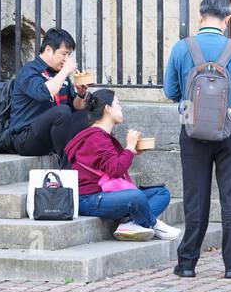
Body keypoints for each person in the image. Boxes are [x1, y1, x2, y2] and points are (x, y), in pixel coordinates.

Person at [164, 0, 231, 279]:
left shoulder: (182, 48)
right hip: (229, 129)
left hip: (192, 129)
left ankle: (188, 263)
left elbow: (170, 92)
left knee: (196, 198)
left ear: (200, 16)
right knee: (230, 199)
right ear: (227, 19)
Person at [65, 89, 176, 241]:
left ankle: (132, 225)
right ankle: (153, 224)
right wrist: (129, 148)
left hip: (104, 193)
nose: (121, 107)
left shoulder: (101, 135)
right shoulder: (96, 137)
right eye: (118, 104)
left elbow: (109, 165)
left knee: (161, 193)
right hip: (89, 198)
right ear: (108, 108)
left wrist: (130, 152)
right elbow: (115, 170)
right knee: (136, 196)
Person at [9, 28, 90, 160]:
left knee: (92, 111)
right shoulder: (29, 71)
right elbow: (44, 93)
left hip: (53, 136)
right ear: (48, 50)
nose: (66, 59)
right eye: (64, 54)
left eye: (69, 55)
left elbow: (75, 107)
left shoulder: (59, 75)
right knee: (62, 111)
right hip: (26, 138)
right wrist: (65, 71)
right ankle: (67, 164)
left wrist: (81, 94)